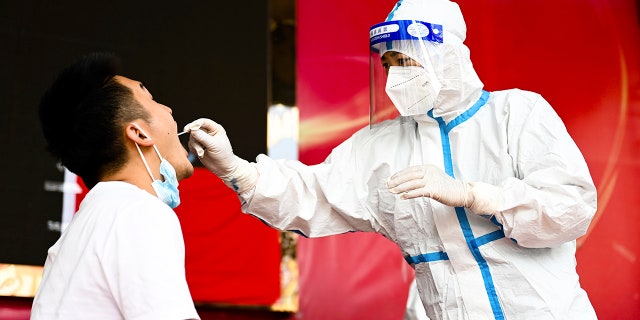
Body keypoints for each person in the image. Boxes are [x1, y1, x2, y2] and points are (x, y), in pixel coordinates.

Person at [185, 0, 598, 318]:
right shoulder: (379, 147)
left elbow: (571, 209)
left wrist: (477, 196)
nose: (396, 74)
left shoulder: (516, 114)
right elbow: (311, 195)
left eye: (407, 59)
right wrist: (235, 169)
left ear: (448, 56)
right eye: (389, 63)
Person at [31, 52, 200, 320]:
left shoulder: (72, 239)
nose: (169, 110)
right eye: (152, 99)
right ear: (139, 133)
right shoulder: (139, 213)